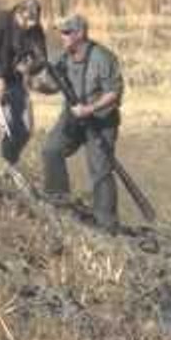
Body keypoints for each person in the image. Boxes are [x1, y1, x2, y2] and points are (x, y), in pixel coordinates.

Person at [37, 14, 125, 233]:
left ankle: (107, 225)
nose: (63, 37)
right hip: (73, 117)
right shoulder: (61, 57)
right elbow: (50, 86)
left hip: (101, 119)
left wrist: (90, 109)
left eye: (67, 33)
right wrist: (32, 81)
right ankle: (59, 202)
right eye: (62, 33)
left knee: (100, 170)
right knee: (51, 150)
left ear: (81, 34)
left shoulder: (102, 58)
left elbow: (114, 92)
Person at [0, 0, 48, 164]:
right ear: (18, 12)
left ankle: (9, 165)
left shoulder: (35, 30)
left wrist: (29, 67)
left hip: (15, 81)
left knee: (25, 129)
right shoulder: (0, 20)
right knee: (3, 127)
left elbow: (42, 58)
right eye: (27, 20)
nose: (30, 25)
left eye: (33, 21)